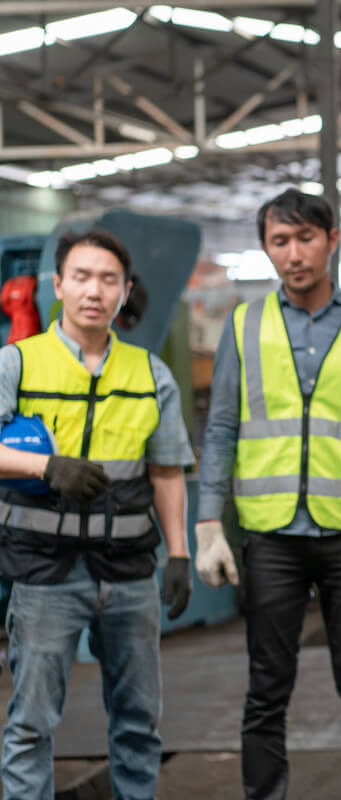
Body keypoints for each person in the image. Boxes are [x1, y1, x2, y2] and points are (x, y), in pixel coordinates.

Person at [194, 188, 341, 800]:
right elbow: (220, 428)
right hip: (270, 534)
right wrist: (208, 525)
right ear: (267, 247)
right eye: (280, 241)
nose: (294, 253)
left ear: (331, 239)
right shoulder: (244, 325)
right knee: (266, 686)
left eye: (305, 238)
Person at [0, 228, 195, 800]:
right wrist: (43, 469)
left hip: (129, 573)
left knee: (139, 722)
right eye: (81, 276)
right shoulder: (17, 363)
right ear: (57, 285)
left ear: (125, 290)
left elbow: (166, 471)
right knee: (31, 724)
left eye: (108, 279)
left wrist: (179, 553)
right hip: (44, 573)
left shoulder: (149, 373)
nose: (94, 290)